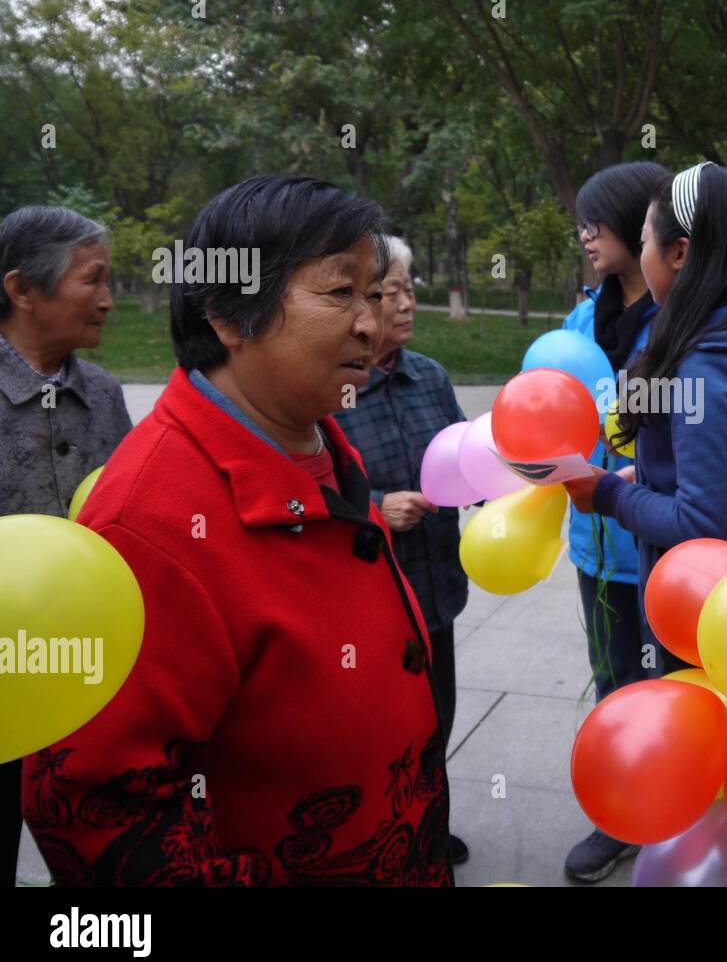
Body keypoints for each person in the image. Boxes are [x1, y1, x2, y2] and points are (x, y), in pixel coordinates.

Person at [22, 175, 453, 886]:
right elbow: (103, 821)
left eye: (376, 294)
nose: (372, 324)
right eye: (341, 292)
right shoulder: (147, 529)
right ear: (229, 311)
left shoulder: (318, 443)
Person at [566, 160, 727, 653]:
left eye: (646, 241)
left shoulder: (704, 367)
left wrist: (608, 494)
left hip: (716, 616)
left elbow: (702, 521)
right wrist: (650, 479)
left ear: (679, 253)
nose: (642, 253)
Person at [1, 205, 131, 886]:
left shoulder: (104, 394)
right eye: (95, 280)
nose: (110, 299)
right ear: (23, 289)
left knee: (95, 865)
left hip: (90, 679)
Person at [333, 235, 470, 866]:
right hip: (368, 599)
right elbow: (309, 486)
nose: (407, 305)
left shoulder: (430, 377)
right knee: (380, 730)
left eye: (411, 290)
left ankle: (429, 827)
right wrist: (377, 507)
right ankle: (385, 839)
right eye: (392, 293)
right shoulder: (336, 388)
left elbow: (465, 458)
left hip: (432, 588)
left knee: (437, 716)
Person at [559, 161, 668, 883]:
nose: (585, 235)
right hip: (592, 542)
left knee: (665, 691)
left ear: (639, 223)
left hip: (658, 541)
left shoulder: (681, 316)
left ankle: (673, 815)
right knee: (612, 682)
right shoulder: (582, 312)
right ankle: (620, 814)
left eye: (597, 221)